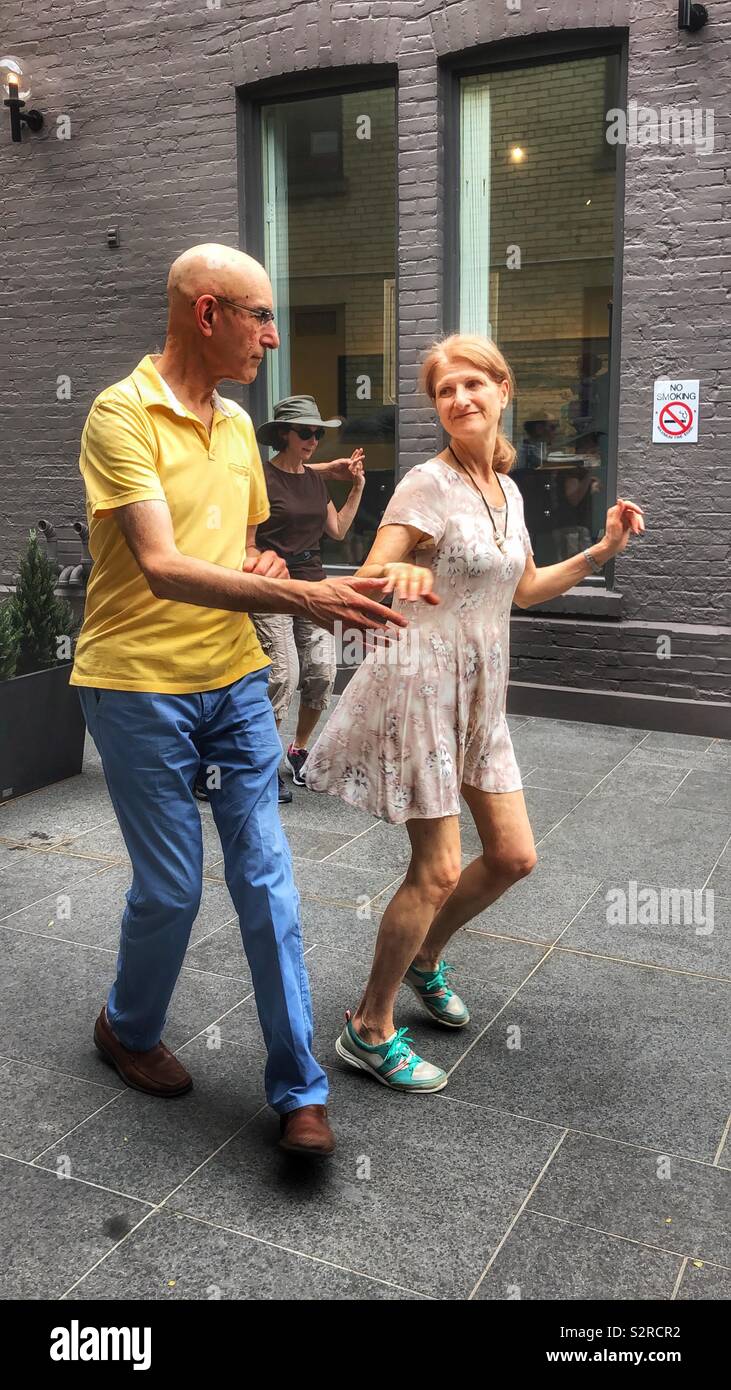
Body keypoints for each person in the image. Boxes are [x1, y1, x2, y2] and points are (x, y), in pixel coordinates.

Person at [69, 243, 407, 1156]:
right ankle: (126, 1028)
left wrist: (269, 568)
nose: (273, 336)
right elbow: (161, 566)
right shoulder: (121, 413)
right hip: (137, 684)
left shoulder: (236, 428)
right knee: (173, 888)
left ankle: (300, 1090)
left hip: (232, 682)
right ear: (207, 313)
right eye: (261, 316)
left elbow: (243, 551)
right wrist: (304, 596)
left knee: (266, 878)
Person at [305, 332, 644, 1094]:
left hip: (481, 696)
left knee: (514, 856)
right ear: (436, 406)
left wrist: (600, 551)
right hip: (421, 690)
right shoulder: (426, 484)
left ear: (501, 390)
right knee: (434, 870)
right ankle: (368, 1029)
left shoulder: (506, 491)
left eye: (471, 385)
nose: (458, 399)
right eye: (444, 391)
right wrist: (395, 572)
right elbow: (367, 575)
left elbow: (524, 588)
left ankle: (424, 958)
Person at [251, 396, 366, 803]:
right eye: (305, 432)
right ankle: (261, 764)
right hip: (274, 586)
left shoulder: (315, 480)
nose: (313, 440)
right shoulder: (260, 478)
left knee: (322, 672)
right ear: (284, 434)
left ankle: (298, 749)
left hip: (314, 585)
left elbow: (337, 530)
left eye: (318, 433)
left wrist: (356, 488)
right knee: (283, 675)